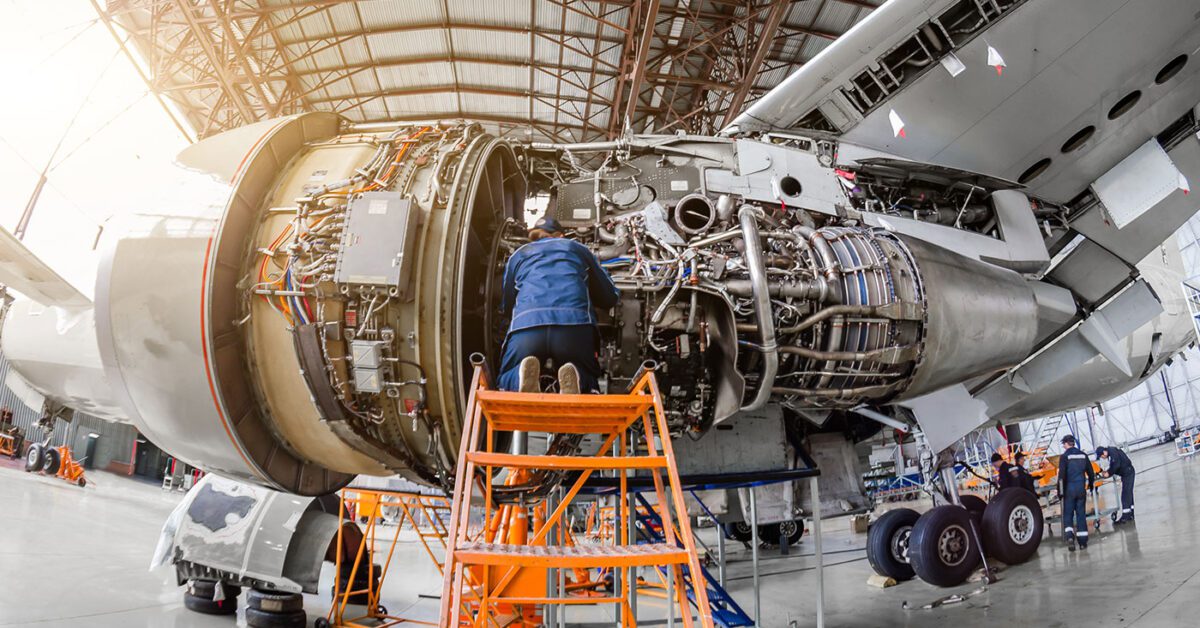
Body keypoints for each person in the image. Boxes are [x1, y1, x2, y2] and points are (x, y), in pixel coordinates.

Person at [498, 216, 620, 394]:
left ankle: (519, 375)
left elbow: (507, 304)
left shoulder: (519, 255)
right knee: (587, 376)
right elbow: (608, 297)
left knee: (506, 375)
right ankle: (577, 377)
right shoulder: (576, 249)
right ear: (561, 236)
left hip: (527, 326)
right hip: (573, 327)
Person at [1057, 434, 1096, 551]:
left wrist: (1060, 492)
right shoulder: (1083, 455)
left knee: (1068, 514)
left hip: (1069, 490)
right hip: (1081, 490)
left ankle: (1070, 537)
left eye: (1063, 444)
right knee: (1081, 515)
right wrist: (1091, 485)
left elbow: (1061, 477)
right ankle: (1083, 542)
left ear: (1066, 444)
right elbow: (1091, 472)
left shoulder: (1064, 457)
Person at [1096, 446, 1136, 525]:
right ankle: (1130, 514)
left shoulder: (1112, 451)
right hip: (1127, 473)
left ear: (1104, 452)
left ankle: (1126, 516)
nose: (1102, 458)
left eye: (1101, 456)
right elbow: (1114, 465)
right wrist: (1108, 471)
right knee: (1128, 493)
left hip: (1128, 473)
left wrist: (1109, 473)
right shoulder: (1112, 452)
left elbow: (1116, 464)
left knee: (1125, 495)